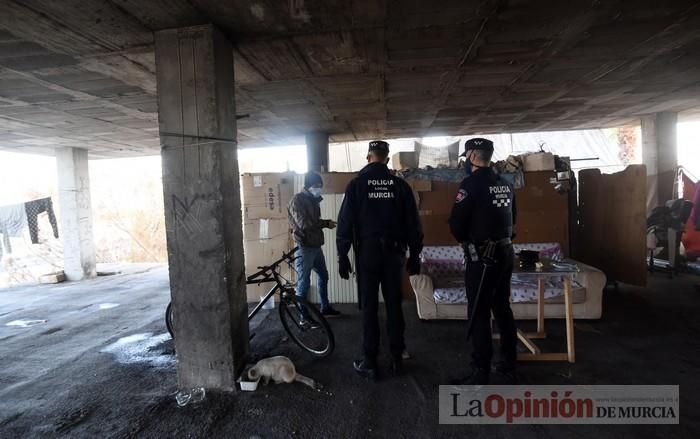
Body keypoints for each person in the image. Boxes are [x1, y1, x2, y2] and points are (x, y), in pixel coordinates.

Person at [336, 140, 423, 381]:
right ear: (386, 158)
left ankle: (370, 361)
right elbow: (413, 224)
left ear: (368, 157)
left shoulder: (356, 185)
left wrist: (342, 255)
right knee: (394, 305)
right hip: (394, 254)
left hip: (368, 253)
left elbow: (345, 223)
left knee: (369, 307)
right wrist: (415, 254)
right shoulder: (400, 186)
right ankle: (397, 357)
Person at [448, 138, 518, 385]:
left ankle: (481, 370)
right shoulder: (505, 184)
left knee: (479, 312)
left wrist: (464, 239)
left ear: (472, 156)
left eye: (466, 156)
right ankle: (509, 363)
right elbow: (513, 220)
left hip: (483, 257)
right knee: (502, 308)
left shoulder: (470, 184)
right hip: (506, 252)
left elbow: (456, 223)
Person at [288, 171, 341, 320]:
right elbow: (304, 224)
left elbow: (312, 221)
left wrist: (325, 223)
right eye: (317, 186)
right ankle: (303, 318)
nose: (319, 189)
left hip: (316, 246)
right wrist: (325, 223)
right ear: (309, 186)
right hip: (304, 247)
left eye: (320, 186)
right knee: (303, 284)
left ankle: (325, 307)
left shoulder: (313, 200)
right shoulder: (297, 201)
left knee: (323, 276)